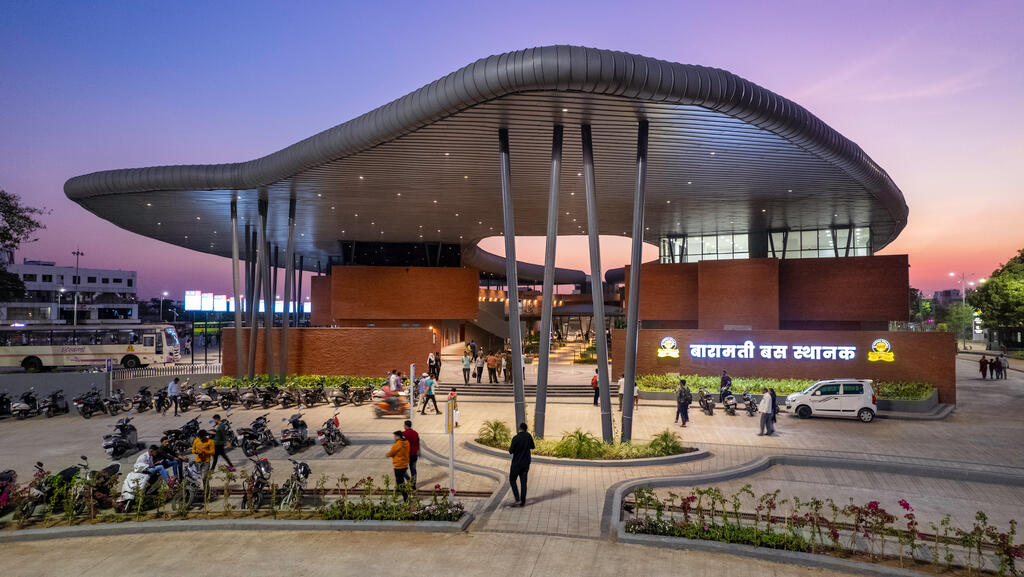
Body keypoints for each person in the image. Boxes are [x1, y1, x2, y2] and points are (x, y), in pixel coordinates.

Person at [508, 422, 534, 507]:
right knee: (523, 483)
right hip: (525, 464)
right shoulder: (529, 436)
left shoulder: (516, 438)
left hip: (516, 464)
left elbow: (510, 451)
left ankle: (517, 499)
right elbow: (532, 446)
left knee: (512, 480)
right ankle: (523, 501)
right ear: (526, 429)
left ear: (520, 428)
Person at [387, 430, 410, 501]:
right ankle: (397, 493)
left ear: (398, 436)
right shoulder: (406, 442)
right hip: (405, 464)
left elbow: (391, 453)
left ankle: (405, 498)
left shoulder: (397, 444)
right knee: (399, 481)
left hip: (398, 465)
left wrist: (388, 455)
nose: (394, 437)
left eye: (395, 436)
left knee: (400, 482)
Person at [403, 420, 420, 487]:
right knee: (413, 469)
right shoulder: (415, 433)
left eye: (404, 425)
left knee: (403, 470)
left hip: (406, 455)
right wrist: (418, 451)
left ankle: (408, 479)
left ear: (406, 426)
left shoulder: (403, 434)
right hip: (414, 454)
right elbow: (418, 442)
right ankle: (413, 484)